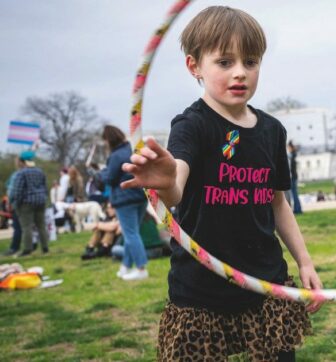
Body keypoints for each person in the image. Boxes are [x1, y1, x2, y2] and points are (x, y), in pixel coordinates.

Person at [120, 7, 322, 361]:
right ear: (194, 66)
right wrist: (167, 182)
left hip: (266, 284)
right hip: (201, 291)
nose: (240, 72)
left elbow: (277, 203)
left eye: (251, 61)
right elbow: (177, 184)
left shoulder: (272, 130)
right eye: (225, 62)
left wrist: (304, 261)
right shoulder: (192, 125)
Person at [100, 125, 149, 281]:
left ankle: (141, 269)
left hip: (124, 199)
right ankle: (125, 267)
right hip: (140, 196)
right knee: (132, 233)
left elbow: (110, 178)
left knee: (130, 234)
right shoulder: (133, 149)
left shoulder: (115, 156)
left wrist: (101, 173)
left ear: (109, 140)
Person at [11, 151, 50, 257]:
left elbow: (18, 190)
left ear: (22, 162)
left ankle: (27, 249)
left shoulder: (21, 173)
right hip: (40, 201)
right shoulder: (40, 171)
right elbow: (45, 187)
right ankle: (45, 248)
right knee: (41, 225)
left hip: (26, 203)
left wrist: (15, 203)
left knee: (26, 227)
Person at [3, 161, 22, 256]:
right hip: (29, 203)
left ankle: (14, 247)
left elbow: (10, 190)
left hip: (17, 204)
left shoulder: (15, 175)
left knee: (17, 227)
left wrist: (9, 203)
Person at [287, 140, 303, 214]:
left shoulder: (291, 156)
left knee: (294, 194)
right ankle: (297, 208)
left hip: (292, 177)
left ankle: (298, 209)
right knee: (295, 194)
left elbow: (290, 168)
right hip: (294, 176)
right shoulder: (294, 155)